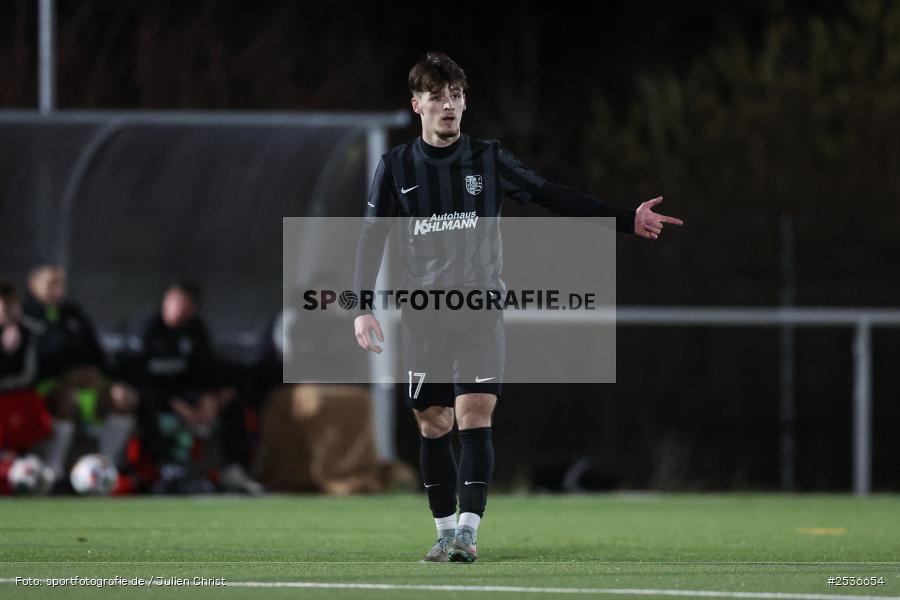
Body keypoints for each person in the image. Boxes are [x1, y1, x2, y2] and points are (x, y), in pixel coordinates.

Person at [352, 52, 683, 563]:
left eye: (456, 96)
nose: (448, 106)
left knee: (475, 414)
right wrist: (361, 306)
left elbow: (551, 194)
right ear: (416, 105)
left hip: (480, 309)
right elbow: (371, 237)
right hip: (423, 316)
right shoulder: (395, 167)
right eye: (437, 97)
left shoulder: (487, 159)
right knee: (433, 423)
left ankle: (467, 530)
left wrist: (624, 218)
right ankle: (442, 530)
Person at [134, 280, 262, 495]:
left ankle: (233, 469)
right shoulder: (148, 328)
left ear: (192, 309)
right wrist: (178, 406)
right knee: (146, 400)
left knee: (232, 399)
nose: (177, 308)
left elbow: (207, 369)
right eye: (174, 301)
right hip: (161, 400)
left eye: (184, 304)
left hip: (190, 398)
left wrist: (210, 397)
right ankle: (163, 468)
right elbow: (141, 377)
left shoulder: (195, 329)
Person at [23, 265, 138, 485]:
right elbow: (37, 360)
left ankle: (106, 468)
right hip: (47, 387)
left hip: (87, 386)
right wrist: (67, 376)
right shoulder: (26, 317)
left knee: (124, 396)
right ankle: (53, 472)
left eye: (61, 285)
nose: (57, 291)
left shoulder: (74, 314)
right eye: (51, 285)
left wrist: (94, 373)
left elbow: (97, 353)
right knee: (67, 399)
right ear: (33, 286)